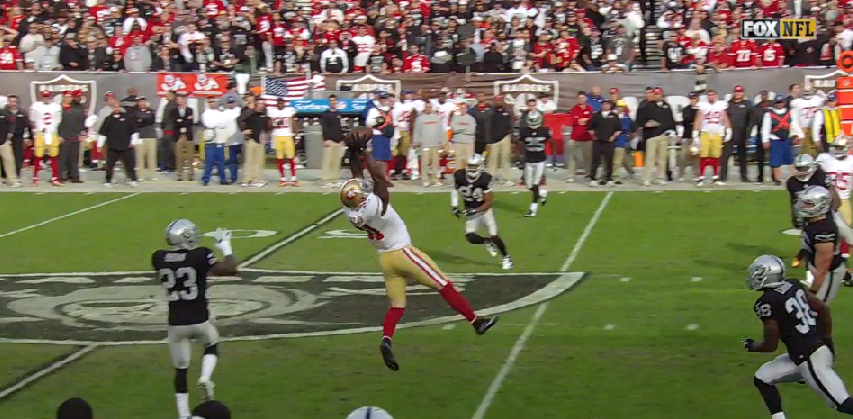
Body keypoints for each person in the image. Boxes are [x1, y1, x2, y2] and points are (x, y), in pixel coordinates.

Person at [338, 148, 499, 372]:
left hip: (385, 259)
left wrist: (355, 155)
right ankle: (476, 322)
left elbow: (358, 180)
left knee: (397, 306)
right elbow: (379, 180)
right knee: (444, 285)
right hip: (403, 253)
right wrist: (366, 152)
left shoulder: (350, 212)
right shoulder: (374, 204)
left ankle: (387, 339)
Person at [744, 254, 853, 419]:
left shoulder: (767, 302)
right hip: (807, 353)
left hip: (810, 357)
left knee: (843, 404)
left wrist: (752, 346)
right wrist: (826, 340)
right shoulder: (793, 284)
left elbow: (770, 345)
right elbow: (823, 309)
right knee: (762, 378)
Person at [151, 220, 238, 419]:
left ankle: (183, 414)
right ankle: (205, 377)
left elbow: (175, 264)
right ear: (186, 236)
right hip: (199, 319)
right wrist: (226, 246)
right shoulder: (200, 254)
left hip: (175, 323)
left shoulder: (158, 257)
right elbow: (231, 269)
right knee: (211, 344)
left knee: (181, 369)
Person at [452, 155, 513, 270]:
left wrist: (475, 211)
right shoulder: (459, 176)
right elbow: (454, 190)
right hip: (471, 209)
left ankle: (506, 257)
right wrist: (454, 206)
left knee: (494, 235)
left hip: (485, 211)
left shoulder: (485, 178)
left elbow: (489, 202)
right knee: (470, 237)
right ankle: (487, 241)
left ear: (480, 166)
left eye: (475, 166)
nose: (472, 169)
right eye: (470, 166)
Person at [796, 185, 847, 303]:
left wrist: (812, 293)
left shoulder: (823, 234)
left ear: (821, 205)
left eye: (808, 203)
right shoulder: (815, 218)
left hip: (829, 273)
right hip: (818, 267)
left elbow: (822, 271)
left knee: (818, 307)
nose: (803, 206)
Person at [636, 87, 675, 186]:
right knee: (650, 158)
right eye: (655, 94)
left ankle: (659, 178)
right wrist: (646, 124)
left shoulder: (666, 106)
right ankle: (646, 178)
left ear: (662, 95)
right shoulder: (646, 106)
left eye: (659, 94)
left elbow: (671, 120)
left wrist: (672, 131)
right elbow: (639, 120)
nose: (657, 96)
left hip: (663, 135)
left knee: (662, 158)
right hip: (651, 135)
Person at [693, 89, 732, 186]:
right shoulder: (703, 106)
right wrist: (695, 133)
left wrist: (728, 130)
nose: (711, 97)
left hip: (717, 132)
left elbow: (725, 118)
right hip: (705, 132)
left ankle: (715, 177)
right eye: (709, 95)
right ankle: (702, 177)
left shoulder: (721, 105)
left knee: (716, 155)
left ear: (716, 96)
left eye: (713, 95)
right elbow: (698, 119)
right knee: (703, 155)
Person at [763, 94, 803, 186]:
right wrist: (765, 140)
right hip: (775, 139)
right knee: (775, 161)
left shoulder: (790, 113)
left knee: (791, 160)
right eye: (777, 102)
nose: (779, 104)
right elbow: (765, 128)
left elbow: (794, 125)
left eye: (781, 102)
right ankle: (777, 179)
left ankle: (793, 178)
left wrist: (798, 135)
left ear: (784, 103)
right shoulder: (769, 114)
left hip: (787, 139)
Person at [97, 102, 140, 187]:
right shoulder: (108, 119)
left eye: (118, 107)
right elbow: (102, 133)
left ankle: (132, 179)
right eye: (114, 107)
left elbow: (134, 131)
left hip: (126, 146)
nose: (116, 108)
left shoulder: (128, 118)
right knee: (109, 165)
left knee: (130, 164)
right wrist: (100, 145)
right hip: (112, 146)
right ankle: (108, 180)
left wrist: (133, 142)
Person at [520, 110, 553, 217]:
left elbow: (552, 143)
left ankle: (533, 209)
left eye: (535, 120)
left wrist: (554, 158)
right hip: (529, 161)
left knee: (535, 184)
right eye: (532, 120)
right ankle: (542, 193)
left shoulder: (545, 130)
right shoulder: (524, 131)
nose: (533, 122)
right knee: (528, 186)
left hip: (540, 161)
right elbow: (520, 144)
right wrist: (521, 158)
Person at [30, 90, 63, 186]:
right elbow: (32, 120)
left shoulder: (56, 107)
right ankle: (35, 179)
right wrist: (36, 130)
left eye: (47, 96)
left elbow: (58, 121)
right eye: (44, 96)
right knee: (38, 155)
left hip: (52, 133)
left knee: (54, 155)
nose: (46, 98)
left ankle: (55, 178)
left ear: (50, 97)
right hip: (40, 133)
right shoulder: (36, 106)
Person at [721, 85, 753, 183]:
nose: (738, 94)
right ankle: (722, 176)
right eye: (736, 92)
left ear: (743, 93)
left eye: (740, 92)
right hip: (730, 133)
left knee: (742, 156)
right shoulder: (728, 104)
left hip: (742, 133)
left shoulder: (747, 104)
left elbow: (750, 120)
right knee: (725, 156)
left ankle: (744, 176)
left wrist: (748, 135)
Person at [587, 100, 622, 186]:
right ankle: (593, 178)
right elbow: (590, 128)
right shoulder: (596, 115)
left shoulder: (614, 116)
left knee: (609, 161)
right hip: (598, 141)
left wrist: (613, 136)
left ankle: (609, 179)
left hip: (609, 142)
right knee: (595, 161)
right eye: (604, 104)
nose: (605, 106)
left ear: (610, 106)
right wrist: (593, 135)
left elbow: (619, 129)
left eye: (607, 104)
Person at [267, 98, 299, 186]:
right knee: (279, 158)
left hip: (288, 135)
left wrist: (296, 134)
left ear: (284, 103)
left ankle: (293, 178)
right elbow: (269, 126)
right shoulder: (272, 112)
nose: (280, 104)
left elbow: (294, 122)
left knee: (291, 157)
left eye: (282, 103)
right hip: (277, 136)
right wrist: (275, 124)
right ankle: (283, 178)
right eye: (279, 103)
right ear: (276, 104)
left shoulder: (289, 111)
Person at [57, 90, 87, 184]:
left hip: (75, 136)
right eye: (66, 97)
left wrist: (82, 134)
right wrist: (58, 135)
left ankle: (74, 177)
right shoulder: (58, 108)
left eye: (70, 97)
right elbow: (55, 123)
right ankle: (61, 177)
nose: (68, 99)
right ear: (63, 98)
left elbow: (82, 122)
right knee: (62, 158)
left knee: (74, 158)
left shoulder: (79, 108)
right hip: (63, 136)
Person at [413, 101, 444, 187]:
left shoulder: (436, 118)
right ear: (424, 108)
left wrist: (441, 141)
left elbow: (440, 130)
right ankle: (425, 180)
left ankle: (435, 180)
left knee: (435, 163)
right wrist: (416, 142)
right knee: (425, 163)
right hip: (425, 144)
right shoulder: (420, 119)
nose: (428, 109)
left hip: (435, 144)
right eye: (427, 107)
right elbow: (417, 131)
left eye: (430, 107)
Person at [240, 101, 270, 187]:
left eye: (262, 104)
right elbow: (239, 120)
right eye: (260, 103)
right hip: (251, 140)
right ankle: (246, 180)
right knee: (248, 160)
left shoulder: (265, 116)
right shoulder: (250, 114)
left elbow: (267, 128)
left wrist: (266, 136)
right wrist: (243, 130)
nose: (261, 105)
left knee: (258, 161)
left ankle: (255, 179)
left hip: (260, 141)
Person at [167, 93, 196, 181]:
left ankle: (191, 174)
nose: (180, 101)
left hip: (188, 135)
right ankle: (179, 175)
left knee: (190, 156)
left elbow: (190, 122)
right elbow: (174, 122)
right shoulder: (173, 111)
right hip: (178, 136)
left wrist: (180, 121)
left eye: (182, 99)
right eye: (179, 99)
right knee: (179, 156)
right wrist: (184, 121)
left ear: (185, 100)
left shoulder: (190, 110)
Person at [201, 97, 229, 186]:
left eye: (213, 102)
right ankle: (206, 179)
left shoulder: (220, 113)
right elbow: (208, 123)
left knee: (221, 161)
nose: (212, 103)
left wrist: (216, 124)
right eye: (210, 102)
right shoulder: (206, 113)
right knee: (209, 161)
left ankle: (223, 179)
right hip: (210, 139)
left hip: (219, 139)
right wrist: (218, 123)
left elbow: (224, 124)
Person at [488, 96, 514, 186]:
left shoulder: (507, 112)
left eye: (500, 100)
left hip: (505, 138)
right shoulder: (490, 112)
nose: (498, 102)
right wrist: (488, 140)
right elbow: (487, 126)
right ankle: (489, 178)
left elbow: (510, 125)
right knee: (492, 160)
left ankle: (507, 179)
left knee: (506, 159)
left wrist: (512, 139)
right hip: (493, 139)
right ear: (494, 101)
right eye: (497, 100)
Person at [790, 87, 825, 156]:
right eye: (805, 92)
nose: (807, 94)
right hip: (803, 128)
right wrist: (797, 132)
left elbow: (827, 101)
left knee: (818, 147)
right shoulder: (796, 102)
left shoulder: (818, 99)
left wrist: (819, 91)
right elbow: (794, 118)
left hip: (818, 127)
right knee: (805, 150)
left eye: (809, 91)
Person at [320, 95, 344, 188]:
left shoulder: (339, 113)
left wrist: (342, 140)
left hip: (338, 141)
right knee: (327, 161)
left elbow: (340, 127)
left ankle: (335, 180)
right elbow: (324, 128)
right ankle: (327, 181)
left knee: (336, 162)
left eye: (334, 100)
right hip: (329, 141)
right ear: (329, 102)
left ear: (337, 102)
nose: (333, 102)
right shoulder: (325, 114)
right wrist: (325, 140)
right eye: (331, 100)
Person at [133, 96, 158, 181]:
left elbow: (151, 120)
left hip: (151, 136)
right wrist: (143, 120)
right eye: (140, 101)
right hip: (140, 136)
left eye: (143, 101)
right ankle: (140, 175)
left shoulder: (152, 111)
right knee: (140, 156)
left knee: (152, 156)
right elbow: (136, 123)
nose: (142, 103)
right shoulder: (134, 112)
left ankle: (153, 174)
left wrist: (142, 120)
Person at [0, 99, 21, 187]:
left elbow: (12, 124)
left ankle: (12, 180)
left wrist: (10, 134)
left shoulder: (6, 113)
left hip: (4, 141)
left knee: (9, 160)